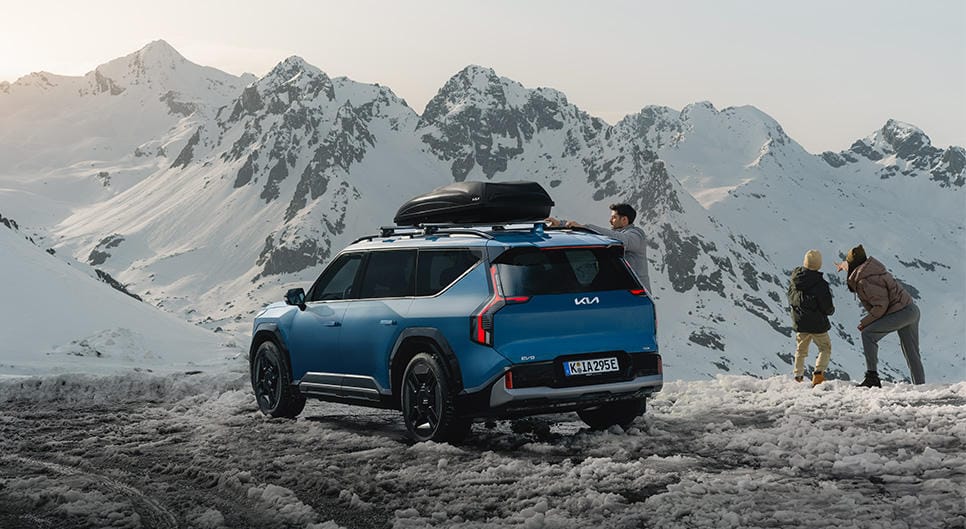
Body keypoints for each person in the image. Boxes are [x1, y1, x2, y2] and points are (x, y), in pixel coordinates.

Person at [836, 244, 924, 387]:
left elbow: (880, 306)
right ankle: (921, 387)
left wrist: (865, 322)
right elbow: (854, 266)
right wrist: (844, 265)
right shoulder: (870, 269)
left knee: (868, 334)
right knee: (912, 352)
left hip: (900, 313)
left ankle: (872, 377)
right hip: (911, 309)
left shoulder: (865, 280)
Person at [546, 203, 651, 292]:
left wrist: (586, 227)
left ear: (624, 220)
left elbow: (623, 240)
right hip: (622, 289)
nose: (610, 220)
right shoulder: (614, 234)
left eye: (614, 217)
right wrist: (561, 224)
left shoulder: (637, 235)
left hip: (637, 291)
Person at [787, 250, 835, 386]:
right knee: (825, 347)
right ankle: (818, 374)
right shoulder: (821, 284)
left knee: (801, 349)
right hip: (817, 323)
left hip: (800, 320)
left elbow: (790, 297)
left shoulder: (795, 279)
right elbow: (827, 307)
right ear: (818, 265)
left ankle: (798, 376)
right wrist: (830, 311)